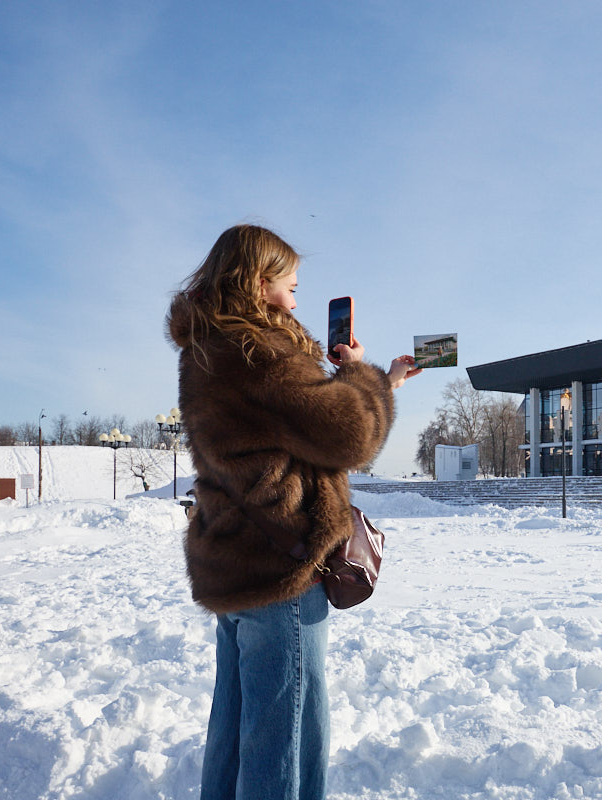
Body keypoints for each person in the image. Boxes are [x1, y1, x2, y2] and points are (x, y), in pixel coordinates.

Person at [167, 224, 420, 800]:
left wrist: (381, 381)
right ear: (260, 283)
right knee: (285, 735)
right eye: (293, 286)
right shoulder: (261, 351)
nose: (298, 299)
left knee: (234, 732)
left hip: (235, 560)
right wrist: (361, 375)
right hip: (283, 567)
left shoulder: (209, 348)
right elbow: (349, 433)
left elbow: (289, 427)